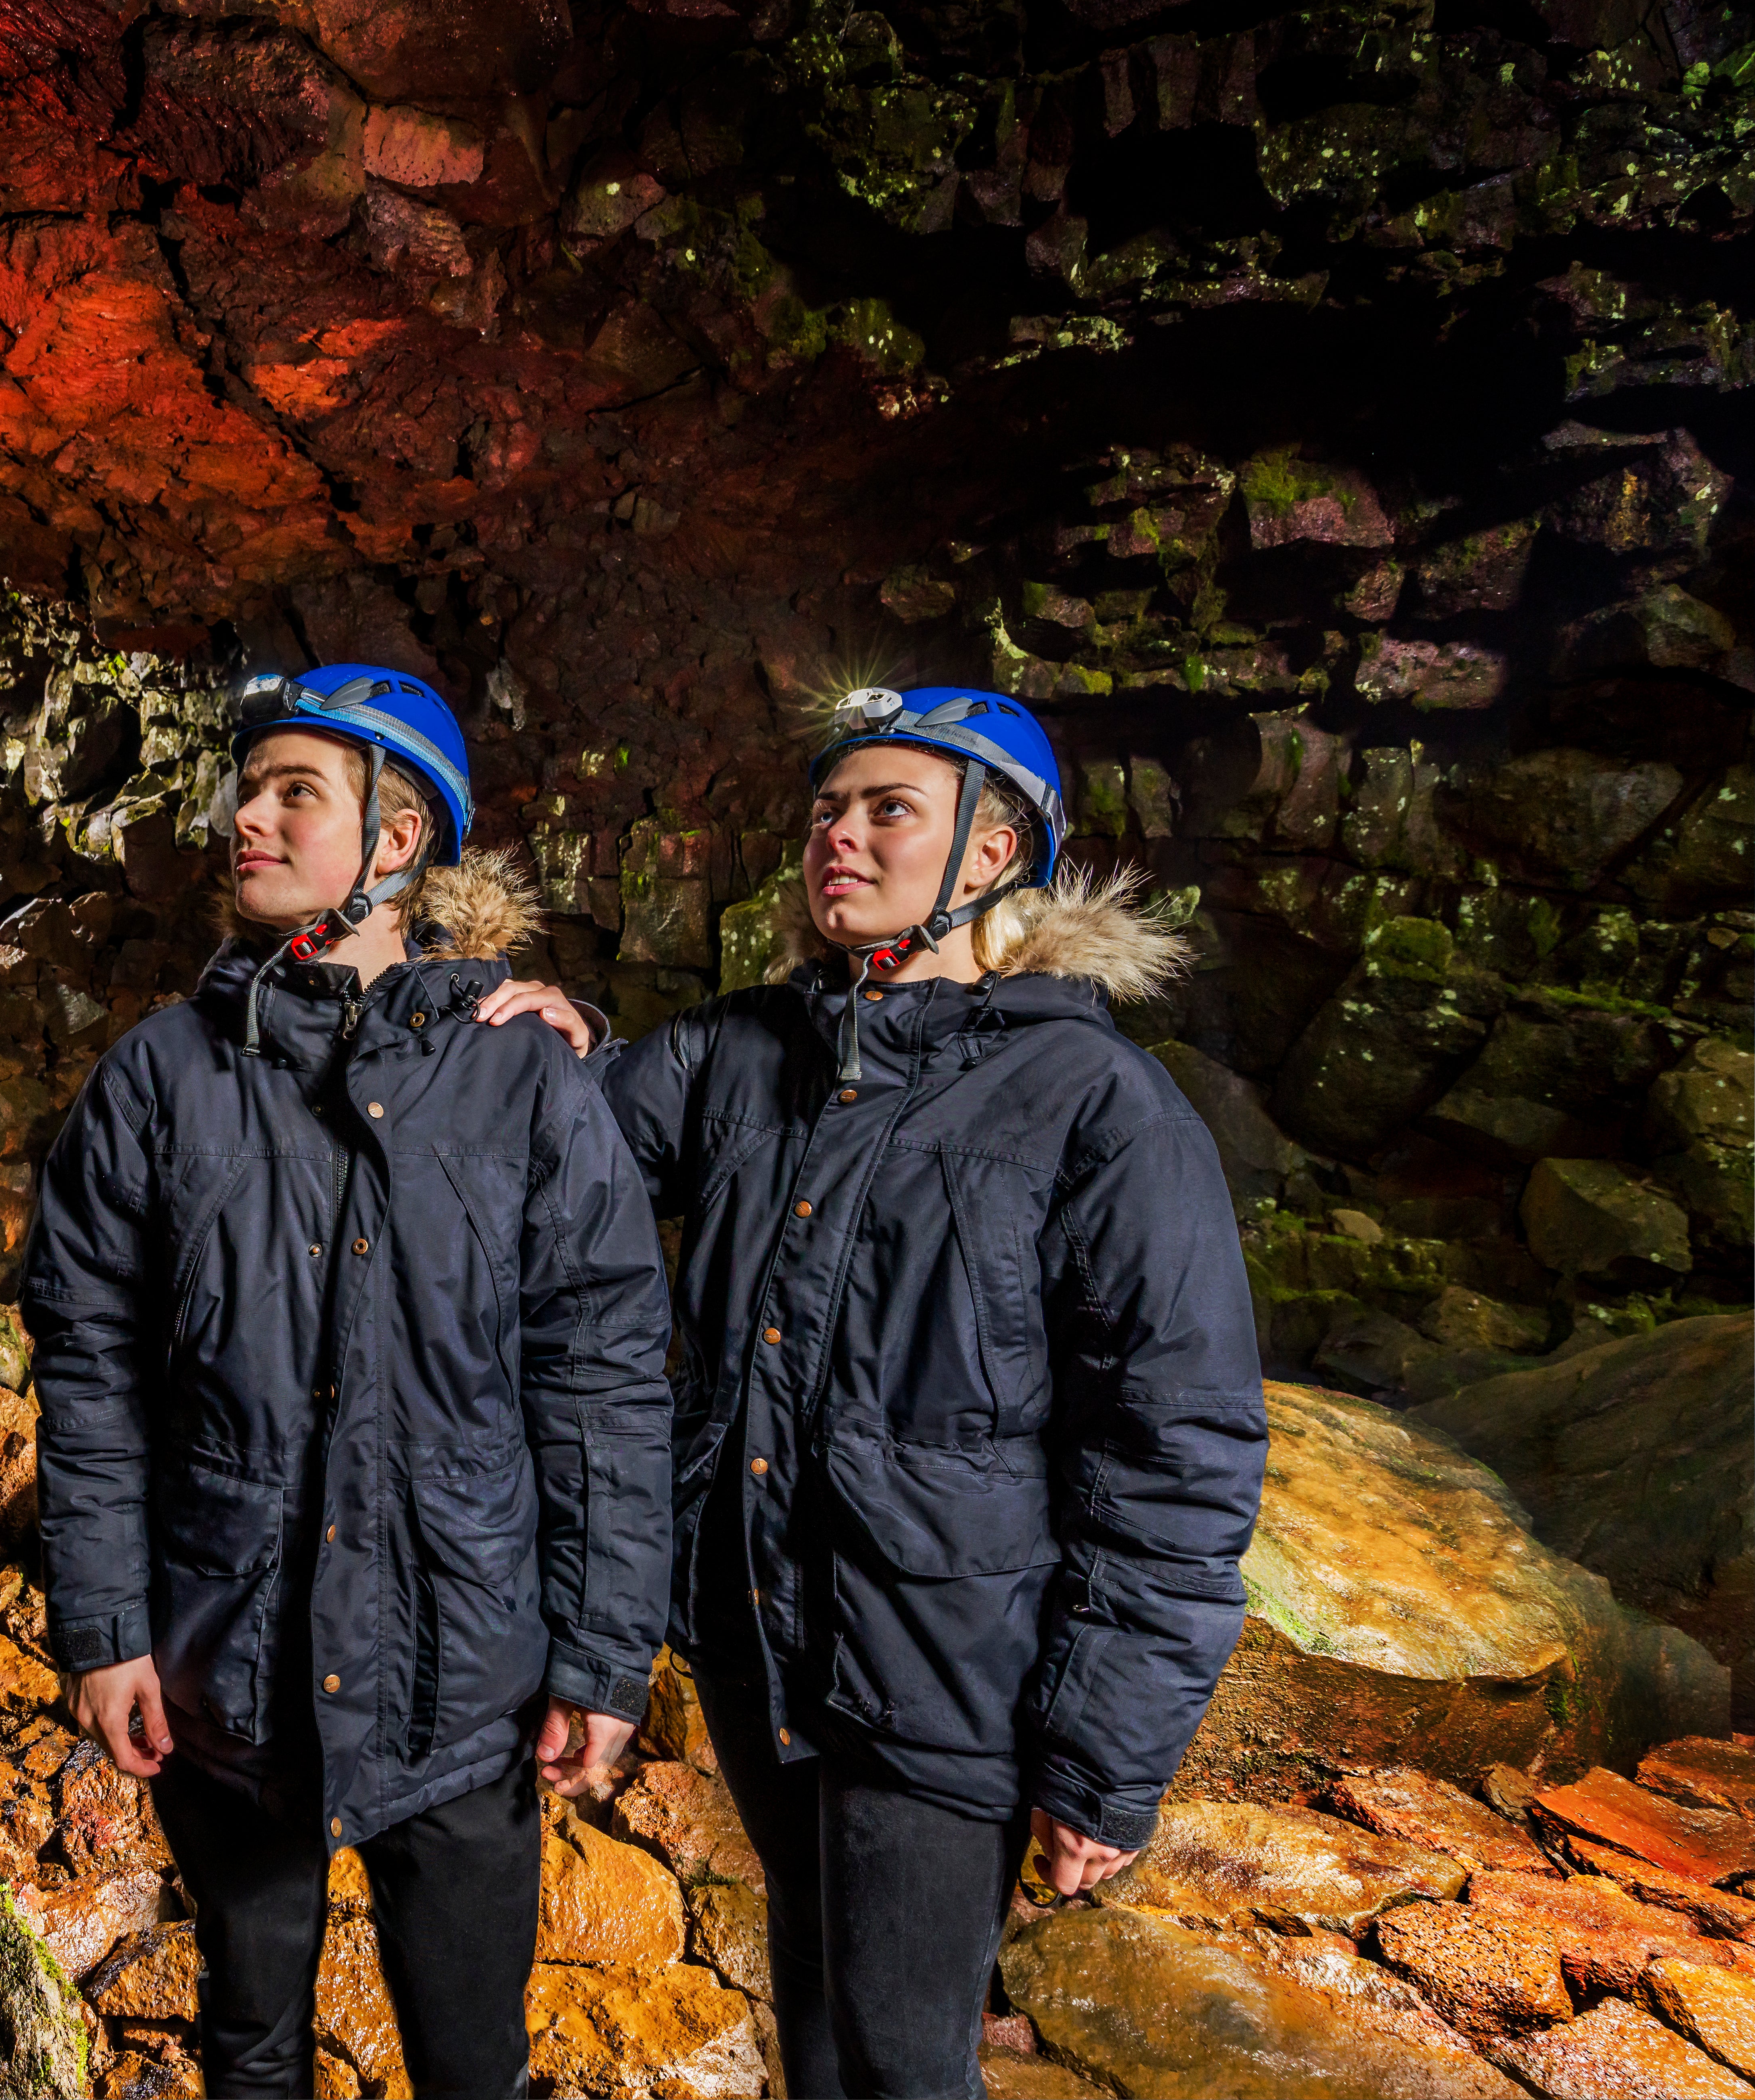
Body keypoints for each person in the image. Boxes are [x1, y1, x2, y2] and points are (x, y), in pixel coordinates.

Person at [478, 685, 1268, 2100]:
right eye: (826, 812)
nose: (836, 838)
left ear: (986, 853)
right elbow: (542, 1160)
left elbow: (1176, 1454)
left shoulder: (1094, 1104)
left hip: (943, 1663)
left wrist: (1105, 1752)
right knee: (819, 2009)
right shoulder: (746, 1050)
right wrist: (562, 1029)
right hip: (755, 1625)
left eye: (886, 809)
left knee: (906, 2058)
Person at [24, 665, 674, 2099]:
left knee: (468, 2059)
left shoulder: (524, 1081)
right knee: (249, 2038)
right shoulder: (158, 1078)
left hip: (465, 1679)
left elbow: (604, 1383)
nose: (245, 817)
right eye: (246, 788)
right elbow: (92, 1374)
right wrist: (104, 1625)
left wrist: (603, 1654)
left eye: (292, 793)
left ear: (393, 845)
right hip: (227, 1675)